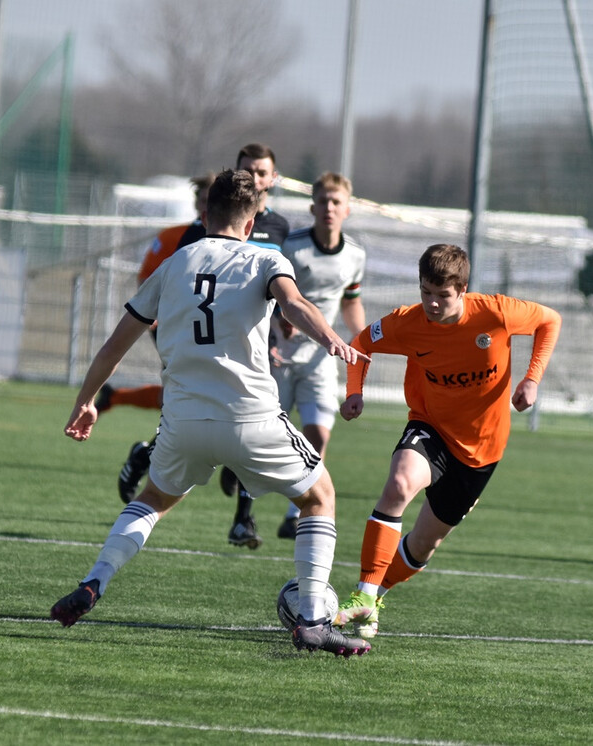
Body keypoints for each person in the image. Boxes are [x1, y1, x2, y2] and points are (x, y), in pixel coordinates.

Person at [49, 168, 370, 657]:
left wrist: (85, 402)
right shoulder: (266, 257)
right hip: (251, 418)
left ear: (203, 215)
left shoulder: (176, 263)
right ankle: (312, 620)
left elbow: (115, 343)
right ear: (252, 220)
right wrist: (330, 339)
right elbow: (294, 302)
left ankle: (94, 582)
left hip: (183, 422)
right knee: (319, 497)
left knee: (153, 498)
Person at [331, 244, 561, 639]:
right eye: (426, 292)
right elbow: (361, 344)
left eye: (443, 295)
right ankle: (363, 593)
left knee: (422, 545)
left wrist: (531, 379)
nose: (433, 304)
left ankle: (376, 598)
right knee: (400, 484)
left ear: (463, 289)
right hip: (430, 427)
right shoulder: (407, 323)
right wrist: (355, 391)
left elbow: (550, 320)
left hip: (482, 451)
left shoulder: (495, 312)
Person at [113, 144, 291, 554]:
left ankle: (243, 518)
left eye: (262, 172)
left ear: (273, 179)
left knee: (248, 416)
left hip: (256, 346)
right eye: (248, 171)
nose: (255, 178)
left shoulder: (281, 229)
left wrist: (283, 325)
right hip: (206, 344)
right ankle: (150, 454)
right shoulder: (198, 236)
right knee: (220, 418)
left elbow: (282, 292)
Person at [269, 171, 366, 540]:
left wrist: (360, 340)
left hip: (321, 357)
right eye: (323, 201)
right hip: (279, 351)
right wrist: (281, 316)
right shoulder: (291, 246)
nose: (329, 208)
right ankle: (244, 501)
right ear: (312, 207)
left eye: (336, 202)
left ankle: (296, 513)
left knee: (318, 434)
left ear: (348, 209)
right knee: (266, 430)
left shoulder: (355, 254)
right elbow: (271, 293)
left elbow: (351, 301)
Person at [95, 172, 215, 424]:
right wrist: (155, 315)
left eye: (213, 200)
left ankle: (116, 398)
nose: (208, 206)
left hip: (214, 327)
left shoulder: (234, 242)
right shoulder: (174, 237)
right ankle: (156, 451)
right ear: (196, 203)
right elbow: (147, 277)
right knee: (183, 391)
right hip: (174, 325)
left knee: (186, 393)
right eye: (204, 200)